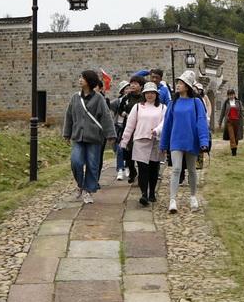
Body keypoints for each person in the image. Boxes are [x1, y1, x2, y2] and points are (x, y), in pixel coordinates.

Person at [159, 70, 211, 214]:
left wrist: (203, 141)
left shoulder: (196, 103)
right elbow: (167, 124)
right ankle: (172, 199)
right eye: (177, 83)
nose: (177, 85)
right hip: (176, 141)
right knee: (176, 169)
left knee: (192, 170)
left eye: (180, 83)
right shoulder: (172, 103)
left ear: (187, 86)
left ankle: (193, 196)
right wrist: (163, 144)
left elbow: (201, 122)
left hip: (192, 140)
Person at [61, 69, 112, 204]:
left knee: (92, 165)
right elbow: (69, 116)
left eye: (82, 78)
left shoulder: (99, 98)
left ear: (89, 81)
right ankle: (80, 184)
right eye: (80, 77)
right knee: (76, 161)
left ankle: (88, 190)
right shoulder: (75, 98)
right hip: (78, 137)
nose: (80, 80)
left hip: (94, 138)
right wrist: (66, 133)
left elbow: (106, 117)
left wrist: (111, 134)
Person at [120, 82, 166, 206]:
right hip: (140, 140)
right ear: (144, 94)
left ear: (156, 94)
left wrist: (157, 130)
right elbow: (130, 125)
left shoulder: (162, 107)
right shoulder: (138, 107)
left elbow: (164, 123)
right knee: (143, 168)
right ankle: (144, 194)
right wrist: (124, 141)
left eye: (152, 93)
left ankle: (152, 193)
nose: (150, 95)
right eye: (147, 93)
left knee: (153, 168)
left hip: (155, 141)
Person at [111, 79, 143, 181]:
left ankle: (142, 174)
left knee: (139, 150)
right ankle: (132, 171)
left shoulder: (144, 97)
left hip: (140, 127)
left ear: (141, 86)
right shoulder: (126, 98)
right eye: (131, 84)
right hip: (128, 127)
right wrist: (125, 114)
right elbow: (120, 109)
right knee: (127, 151)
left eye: (135, 83)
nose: (132, 86)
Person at [220, 89, 244, 155]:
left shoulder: (238, 102)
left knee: (236, 136)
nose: (231, 96)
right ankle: (233, 150)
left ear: (234, 95)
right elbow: (222, 113)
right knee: (232, 136)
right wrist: (220, 122)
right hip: (229, 122)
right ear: (228, 96)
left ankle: (235, 147)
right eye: (229, 95)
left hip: (237, 122)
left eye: (232, 94)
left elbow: (242, 110)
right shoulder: (226, 103)